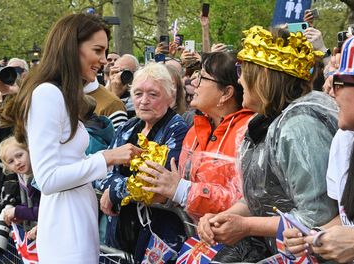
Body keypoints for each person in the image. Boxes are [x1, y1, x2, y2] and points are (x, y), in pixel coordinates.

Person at [3, 13, 142, 263]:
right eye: (97, 50)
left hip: (75, 219)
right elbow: (47, 178)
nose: (103, 60)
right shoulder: (47, 94)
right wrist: (107, 157)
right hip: (66, 227)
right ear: (71, 48)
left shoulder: (61, 95)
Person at [197, 26, 339, 263]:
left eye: (243, 70)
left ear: (262, 75)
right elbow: (263, 197)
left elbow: (318, 215)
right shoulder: (265, 122)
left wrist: (246, 226)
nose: (240, 78)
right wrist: (224, 217)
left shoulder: (300, 126)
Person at [284, 32, 354, 263]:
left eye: (340, 83)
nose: (330, 91)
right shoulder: (344, 141)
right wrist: (313, 238)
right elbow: (350, 222)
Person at [138, 52, 255, 219]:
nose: (193, 82)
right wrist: (165, 195)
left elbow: (249, 201)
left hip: (235, 239)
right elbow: (181, 190)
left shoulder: (249, 133)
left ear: (226, 93)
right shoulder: (195, 129)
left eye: (202, 78)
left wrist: (181, 190)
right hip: (197, 237)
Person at [99, 62, 189, 263]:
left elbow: (154, 184)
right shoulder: (128, 127)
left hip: (159, 234)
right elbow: (103, 173)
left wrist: (114, 192)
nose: (144, 101)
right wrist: (120, 187)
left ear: (171, 98)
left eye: (153, 94)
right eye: (138, 94)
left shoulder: (177, 128)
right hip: (122, 228)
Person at [0, 136, 40, 228]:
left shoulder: (39, 176)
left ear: (29, 152)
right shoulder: (24, 176)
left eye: (20, 155)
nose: (17, 162)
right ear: (8, 167)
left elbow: (44, 210)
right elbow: (34, 204)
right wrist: (21, 214)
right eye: (11, 161)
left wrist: (17, 211)